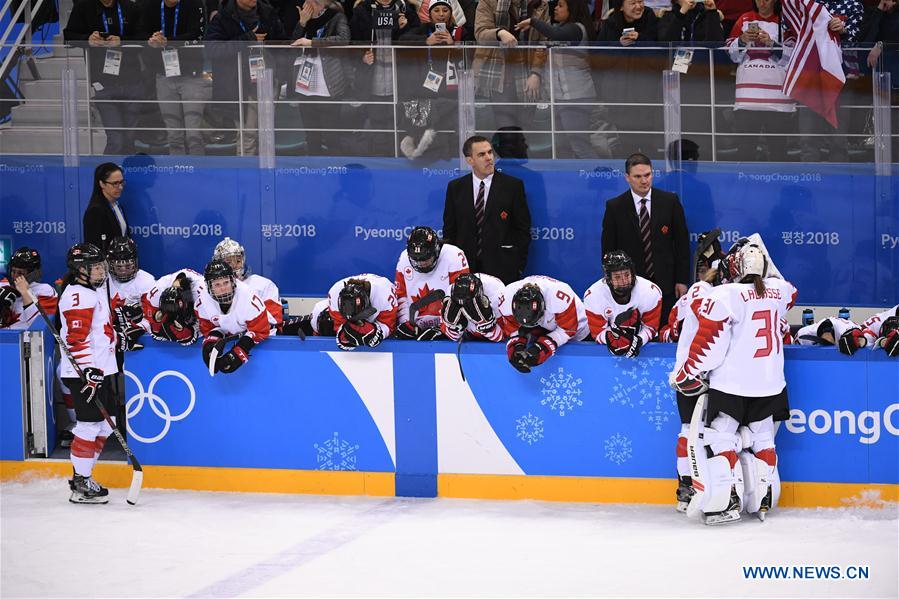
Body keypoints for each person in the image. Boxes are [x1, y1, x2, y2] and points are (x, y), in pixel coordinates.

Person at [672, 240, 797, 525]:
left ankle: (725, 499)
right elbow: (790, 291)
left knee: (721, 437)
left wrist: (687, 371)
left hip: (733, 385)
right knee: (764, 438)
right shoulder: (779, 291)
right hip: (771, 383)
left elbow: (710, 346)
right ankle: (762, 498)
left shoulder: (724, 295)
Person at [659, 229, 726, 513]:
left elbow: (670, 331)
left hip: (689, 373)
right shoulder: (710, 295)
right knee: (706, 432)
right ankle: (698, 488)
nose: (704, 273)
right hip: (705, 374)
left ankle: (691, 487)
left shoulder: (694, 295)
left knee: (693, 430)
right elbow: (669, 330)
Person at [58, 244, 118, 504]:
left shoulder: (91, 291)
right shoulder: (78, 296)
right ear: (81, 269)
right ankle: (81, 483)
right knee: (89, 425)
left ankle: (83, 476)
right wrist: (89, 372)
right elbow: (76, 339)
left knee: (106, 424)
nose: (101, 270)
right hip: (86, 373)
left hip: (99, 371)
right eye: (95, 266)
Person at [601, 153, 690, 324]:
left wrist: (681, 280)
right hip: (630, 288)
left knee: (666, 333)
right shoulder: (615, 207)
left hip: (667, 285)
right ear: (627, 177)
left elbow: (681, 243)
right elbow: (608, 250)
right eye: (638, 176)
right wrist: (613, 283)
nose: (644, 181)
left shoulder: (669, 202)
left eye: (647, 175)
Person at [514, 0, 598, 159]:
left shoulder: (577, 29)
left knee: (580, 145)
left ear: (572, 8)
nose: (555, 9)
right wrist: (536, 73)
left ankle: (598, 178)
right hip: (559, 96)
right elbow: (545, 48)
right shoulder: (560, 28)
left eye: (560, 5)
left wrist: (533, 21)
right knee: (562, 146)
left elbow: (556, 35)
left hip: (576, 96)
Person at [443, 136, 532, 285]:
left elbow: (522, 230)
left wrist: (517, 266)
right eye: (481, 154)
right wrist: (454, 266)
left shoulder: (512, 186)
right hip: (465, 270)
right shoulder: (456, 188)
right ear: (470, 160)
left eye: (490, 152)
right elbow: (449, 232)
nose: (489, 158)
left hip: (503, 271)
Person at [205, 0, 287, 155]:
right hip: (238, 84)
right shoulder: (223, 17)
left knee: (267, 133)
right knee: (247, 134)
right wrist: (247, 38)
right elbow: (212, 49)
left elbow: (282, 44)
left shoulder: (268, 13)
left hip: (267, 79)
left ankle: (267, 174)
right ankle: (245, 175)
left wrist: (280, 74)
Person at [63, 0, 144, 155]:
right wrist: (87, 39)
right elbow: (68, 36)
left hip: (133, 81)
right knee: (116, 141)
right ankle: (105, 177)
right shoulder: (83, 6)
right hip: (103, 83)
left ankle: (124, 177)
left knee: (129, 140)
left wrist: (122, 41)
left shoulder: (131, 6)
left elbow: (143, 37)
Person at [397, 0, 473, 160]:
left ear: (451, 13)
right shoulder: (423, 30)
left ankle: (453, 158)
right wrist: (425, 42)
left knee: (452, 127)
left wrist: (454, 45)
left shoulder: (460, 32)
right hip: (427, 92)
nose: (441, 14)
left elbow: (470, 56)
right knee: (426, 126)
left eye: (445, 10)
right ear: (429, 14)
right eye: (436, 10)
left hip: (453, 92)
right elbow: (401, 42)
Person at [725, 0, 796, 162]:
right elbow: (732, 54)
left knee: (778, 151)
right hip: (747, 99)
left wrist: (771, 44)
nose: (763, 2)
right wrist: (742, 40)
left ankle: (780, 185)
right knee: (745, 151)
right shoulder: (744, 19)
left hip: (779, 100)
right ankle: (744, 186)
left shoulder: (786, 22)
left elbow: (795, 56)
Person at [472, 0, 549, 146]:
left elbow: (543, 42)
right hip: (499, 75)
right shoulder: (488, 2)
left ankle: (520, 165)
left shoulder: (540, 4)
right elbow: (480, 33)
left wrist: (536, 73)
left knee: (525, 132)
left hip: (527, 73)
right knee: (506, 131)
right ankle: (508, 165)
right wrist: (499, 33)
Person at [350, 0, 420, 156]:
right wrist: (361, 57)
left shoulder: (405, 9)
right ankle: (382, 164)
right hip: (373, 83)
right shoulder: (363, 10)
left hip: (401, 82)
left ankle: (399, 166)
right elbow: (351, 42)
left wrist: (405, 28)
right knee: (378, 129)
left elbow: (418, 40)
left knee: (402, 128)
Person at [142, 0, 212, 155]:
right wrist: (152, 39)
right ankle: (177, 169)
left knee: (193, 133)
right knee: (173, 133)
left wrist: (168, 42)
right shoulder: (150, 6)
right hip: (164, 74)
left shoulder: (195, 4)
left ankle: (198, 171)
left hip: (191, 75)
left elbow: (197, 35)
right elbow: (139, 31)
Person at [289, 0, 352, 156]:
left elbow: (344, 39)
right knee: (312, 137)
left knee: (332, 137)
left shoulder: (337, 17)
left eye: (306, 3)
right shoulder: (305, 21)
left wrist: (312, 42)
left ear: (315, 3)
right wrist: (302, 23)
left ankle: (335, 171)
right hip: (305, 87)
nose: (303, 6)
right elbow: (292, 45)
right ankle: (314, 173)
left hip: (329, 86)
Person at [500, 275, 589, 373]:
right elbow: (512, 329)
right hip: (544, 326)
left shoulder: (559, 297)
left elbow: (567, 330)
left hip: (578, 328)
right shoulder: (506, 299)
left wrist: (544, 348)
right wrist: (516, 346)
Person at [394, 226, 470, 339]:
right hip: (417, 327)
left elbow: (462, 296)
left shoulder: (454, 255)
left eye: (426, 259)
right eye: (416, 260)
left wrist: (445, 328)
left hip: (449, 327)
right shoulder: (404, 257)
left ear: (436, 250)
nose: (421, 264)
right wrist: (406, 323)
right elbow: (401, 295)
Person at [583, 250, 662, 358]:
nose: (624, 281)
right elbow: (598, 332)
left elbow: (651, 327)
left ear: (632, 274)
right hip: (611, 342)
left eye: (626, 275)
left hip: (645, 345)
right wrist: (617, 342)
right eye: (617, 277)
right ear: (608, 279)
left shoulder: (650, 291)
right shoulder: (593, 295)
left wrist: (638, 341)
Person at [199, 260, 271, 374]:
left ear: (233, 281)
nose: (223, 288)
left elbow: (261, 330)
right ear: (209, 287)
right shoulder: (202, 301)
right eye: (217, 284)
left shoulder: (248, 298)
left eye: (226, 282)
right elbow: (207, 327)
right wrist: (211, 340)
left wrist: (242, 349)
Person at [212, 237, 282, 329]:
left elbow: (274, 320)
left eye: (238, 261)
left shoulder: (263, 285)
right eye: (228, 262)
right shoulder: (212, 289)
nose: (234, 266)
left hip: (260, 341)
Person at [106, 236, 155, 351]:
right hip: (111, 335)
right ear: (111, 265)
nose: (123, 270)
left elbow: (153, 314)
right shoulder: (104, 281)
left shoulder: (147, 280)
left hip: (138, 334)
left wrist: (139, 327)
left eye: (128, 266)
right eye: (119, 266)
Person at [326, 274, 398, 350]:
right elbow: (339, 324)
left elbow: (389, 325)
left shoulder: (385, 293)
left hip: (381, 291)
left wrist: (378, 334)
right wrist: (345, 335)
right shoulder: (334, 293)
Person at [142, 268, 207, 344]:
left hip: (195, 300)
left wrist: (192, 332)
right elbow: (149, 317)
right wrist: (155, 323)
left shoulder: (202, 294)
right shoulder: (158, 290)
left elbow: (209, 324)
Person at [0, 247, 58, 330]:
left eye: (20, 273)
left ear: (32, 274)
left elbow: (40, 326)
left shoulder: (45, 291)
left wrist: (25, 293)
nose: (15, 276)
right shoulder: (3, 287)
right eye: (13, 271)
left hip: (29, 341)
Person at [441, 272, 506, 341]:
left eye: (468, 301)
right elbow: (451, 338)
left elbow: (505, 337)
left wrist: (488, 327)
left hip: (493, 342)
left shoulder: (497, 292)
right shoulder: (450, 293)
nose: (464, 305)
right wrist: (454, 329)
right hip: (468, 339)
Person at [83, 162, 129, 254]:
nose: (120, 187)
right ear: (102, 184)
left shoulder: (118, 206)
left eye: (121, 182)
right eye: (115, 183)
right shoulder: (95, 211)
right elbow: (94, 247)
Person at [658, 0, 725, 41]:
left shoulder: (707, 14)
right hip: (674, 60)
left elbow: (717, 43)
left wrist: (712, 11)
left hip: (701, 60)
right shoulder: (668, 15)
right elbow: (665, 42)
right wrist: (681, 13)